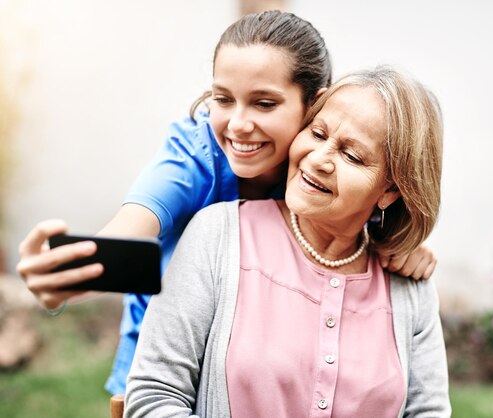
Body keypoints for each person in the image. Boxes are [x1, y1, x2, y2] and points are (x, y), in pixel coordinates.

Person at [15, 11, 438, 396]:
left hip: (259, 377)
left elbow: (353, 217)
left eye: (264, 103)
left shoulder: (313, 169)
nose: (237, 124)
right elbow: (128, 234)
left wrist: (397, 241)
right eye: (222, 98)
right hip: (163, 371)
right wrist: (63, 276)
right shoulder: (195, 155)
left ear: (314, 105)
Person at [125, 67, 450, 418]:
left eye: (352, 156)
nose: (319, 159)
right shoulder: (217, 235)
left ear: (390, 191)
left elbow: (428, 412)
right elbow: (154, 399)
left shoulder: (409, 287)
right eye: (317, 132)